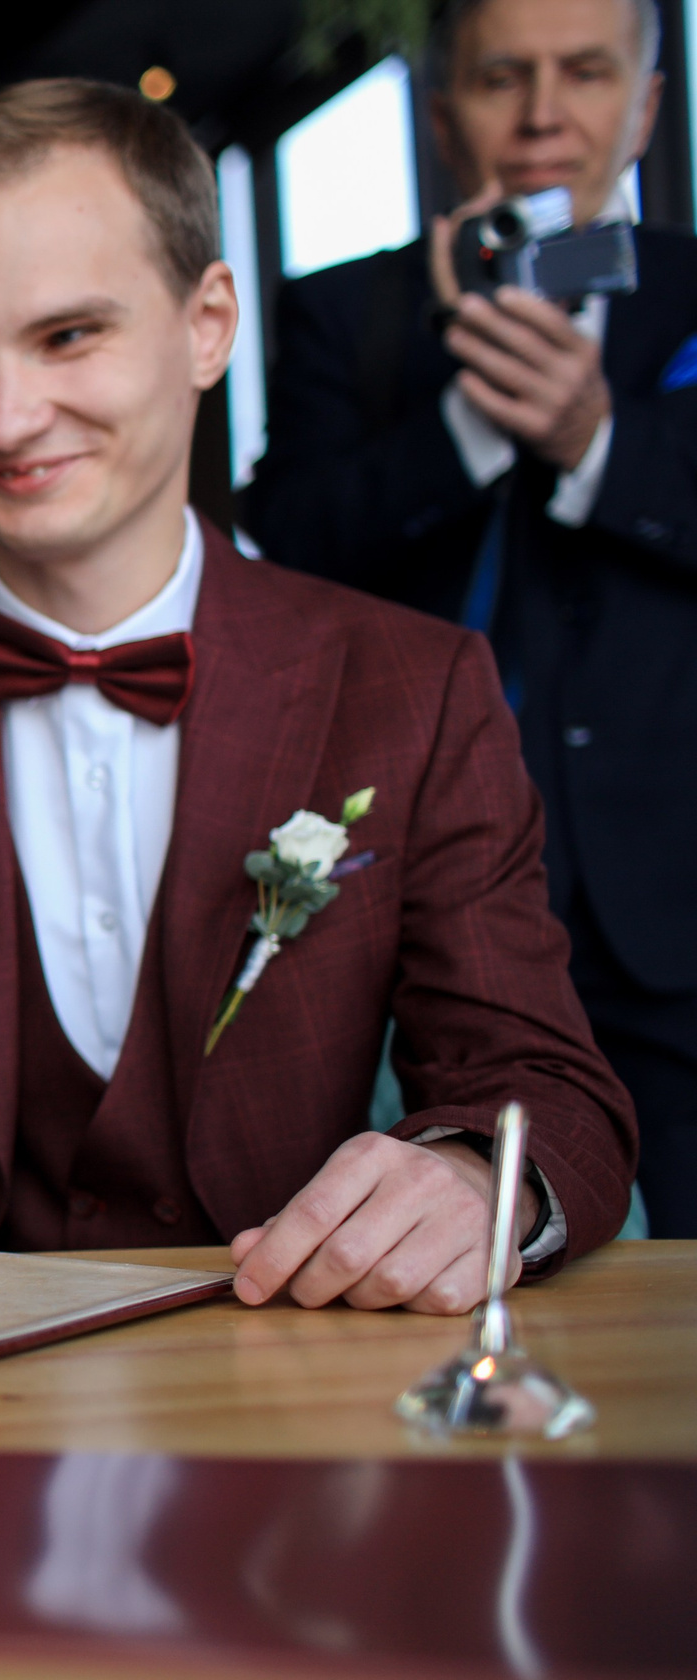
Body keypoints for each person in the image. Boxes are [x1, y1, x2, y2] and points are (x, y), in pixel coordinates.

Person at [0, 79, 637, 1314]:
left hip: (293, 1382)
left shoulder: (412, 688)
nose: (7, 417)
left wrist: (473, 1180)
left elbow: (546, 1090)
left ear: (208, 324)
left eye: (68, 335)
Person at [245, 0, 697, 1238]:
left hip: (673, 897)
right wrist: (465, 431)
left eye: (585, 73)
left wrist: (592, 440)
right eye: (505, 76)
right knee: (443, 1234)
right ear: (445, 116)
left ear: (645, 106)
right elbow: (286, 547)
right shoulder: (351, 314)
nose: (544, 111)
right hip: (424, 902)